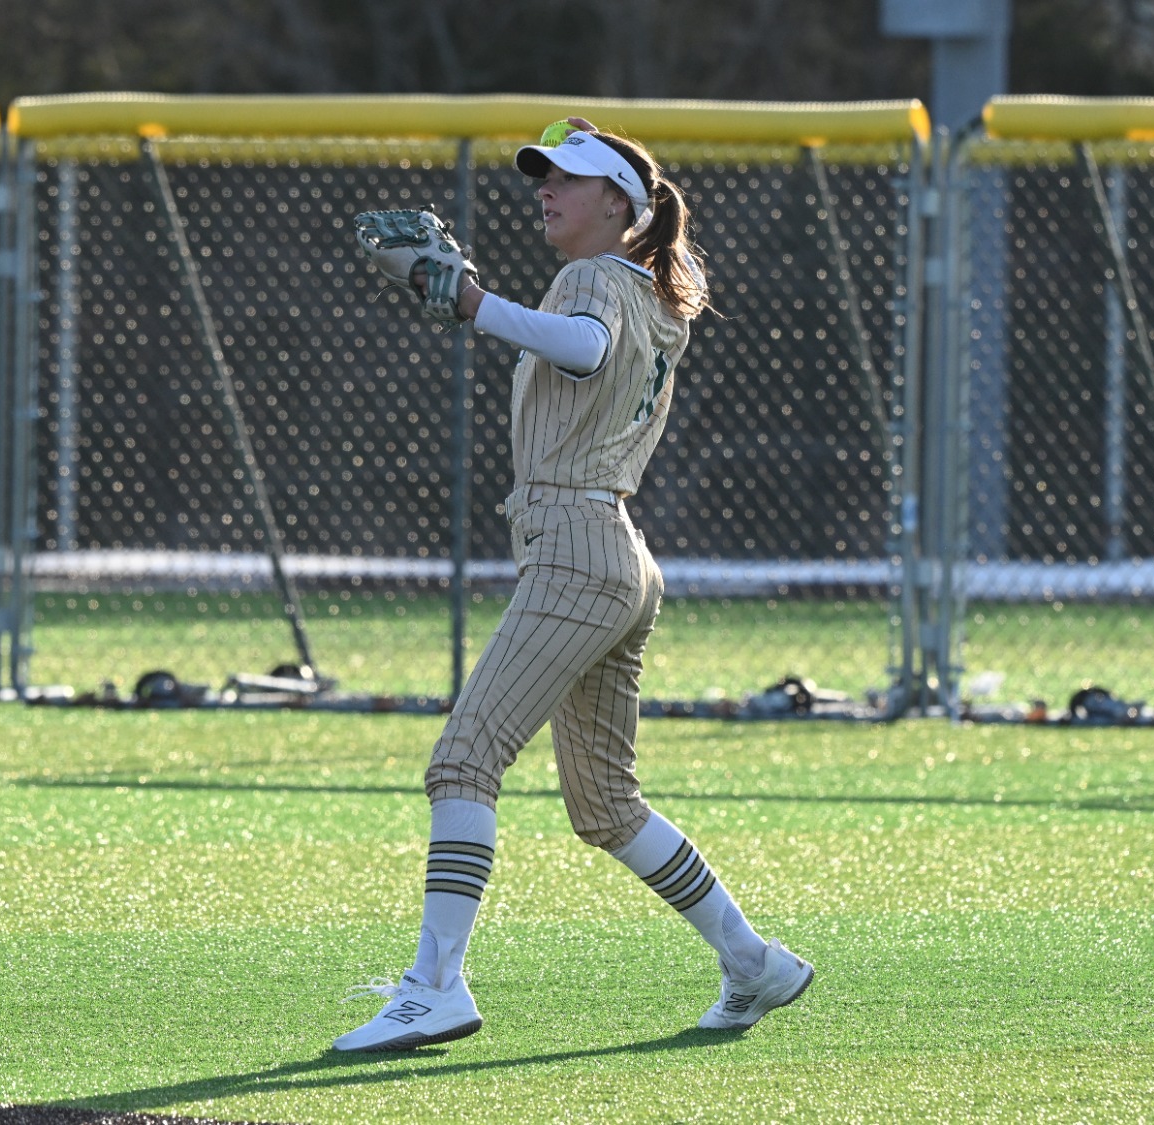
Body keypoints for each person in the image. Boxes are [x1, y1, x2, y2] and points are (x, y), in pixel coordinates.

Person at [333, 117, 813, 1052]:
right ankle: (753, 959)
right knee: (606, 805)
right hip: (617, 551)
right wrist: (476, 300)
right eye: (541, 176)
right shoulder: (652, 289)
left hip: (575, 544)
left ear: (621, 206)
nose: (547, 189)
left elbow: (585, 348)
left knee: (464, 759)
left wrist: (470, 299)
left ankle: (434, 985)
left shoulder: (594, 277)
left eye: (568, 177)